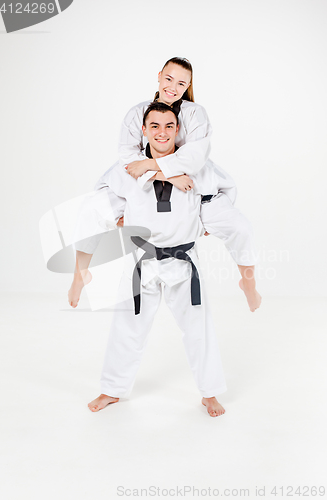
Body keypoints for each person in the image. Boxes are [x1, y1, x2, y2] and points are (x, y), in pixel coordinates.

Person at [68, 57, 261, 313]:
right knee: (90, 211)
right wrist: (165, 175)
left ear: (188, 86)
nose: (173, 86)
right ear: (159, 76)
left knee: (240, 226)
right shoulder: (137, 112)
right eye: (169, 79)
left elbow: (193, 158)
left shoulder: (195, 113)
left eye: (181, 83)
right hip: (142, 183)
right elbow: (129, 159)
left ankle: (248, 281)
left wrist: (151, 167)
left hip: (192, 185)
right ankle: (80, 273)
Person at [78, 102, 230, 416]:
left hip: (182, 260)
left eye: (169, 125)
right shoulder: (128, 167)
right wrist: (117, 215)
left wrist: (208, 219)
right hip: (142, 261)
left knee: (198, 328)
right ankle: (112, 389)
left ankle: (210, 393)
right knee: (127, 327)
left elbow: (227, 190)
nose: (162, 132)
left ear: (179, 131)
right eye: (155, 126)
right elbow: (100, 196)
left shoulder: (198, 166)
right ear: (144, 130)